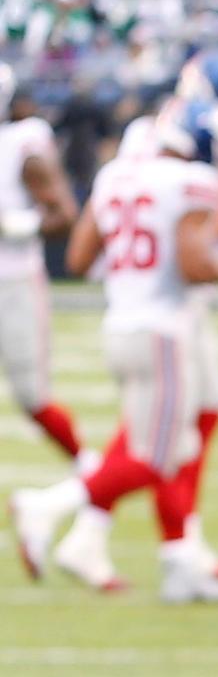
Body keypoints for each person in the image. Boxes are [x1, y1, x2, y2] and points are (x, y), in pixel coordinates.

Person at [11, 98, 218, 598]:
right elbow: (195, 267)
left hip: (119, 326)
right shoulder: (189, 183)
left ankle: (177, 560)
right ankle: (48, 506)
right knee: (155, 459)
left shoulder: (114, 178)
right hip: (163, 332)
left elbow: (81, 259)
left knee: (174, 445)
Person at [0, 62, 84, 459]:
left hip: (12, 283)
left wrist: (19, 226)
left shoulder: (22, 144)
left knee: (32, 395)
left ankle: (88, 473)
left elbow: (64, 214)